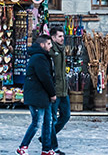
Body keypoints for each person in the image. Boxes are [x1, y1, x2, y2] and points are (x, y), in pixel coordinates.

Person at [18, 35, 56, 155]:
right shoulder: (39, 58)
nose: (51, 46)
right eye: (49, 44)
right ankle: (23, 146)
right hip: (37, 95)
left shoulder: (42, 57)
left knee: (47, 122)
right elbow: (45, 77)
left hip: (43, 96)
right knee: (37, 122)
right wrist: (52, 93)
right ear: (42, 45)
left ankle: (46, 149)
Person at [47, 27, 70, 155]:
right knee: (52, 120)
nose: (62, 38)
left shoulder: (62, 50)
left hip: (63, 90)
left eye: (63, 36)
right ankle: (53, 147)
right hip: (55, 91)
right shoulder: (51, 51)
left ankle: (46, 136)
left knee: (66, 116)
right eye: (60, 36)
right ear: (53, 37)